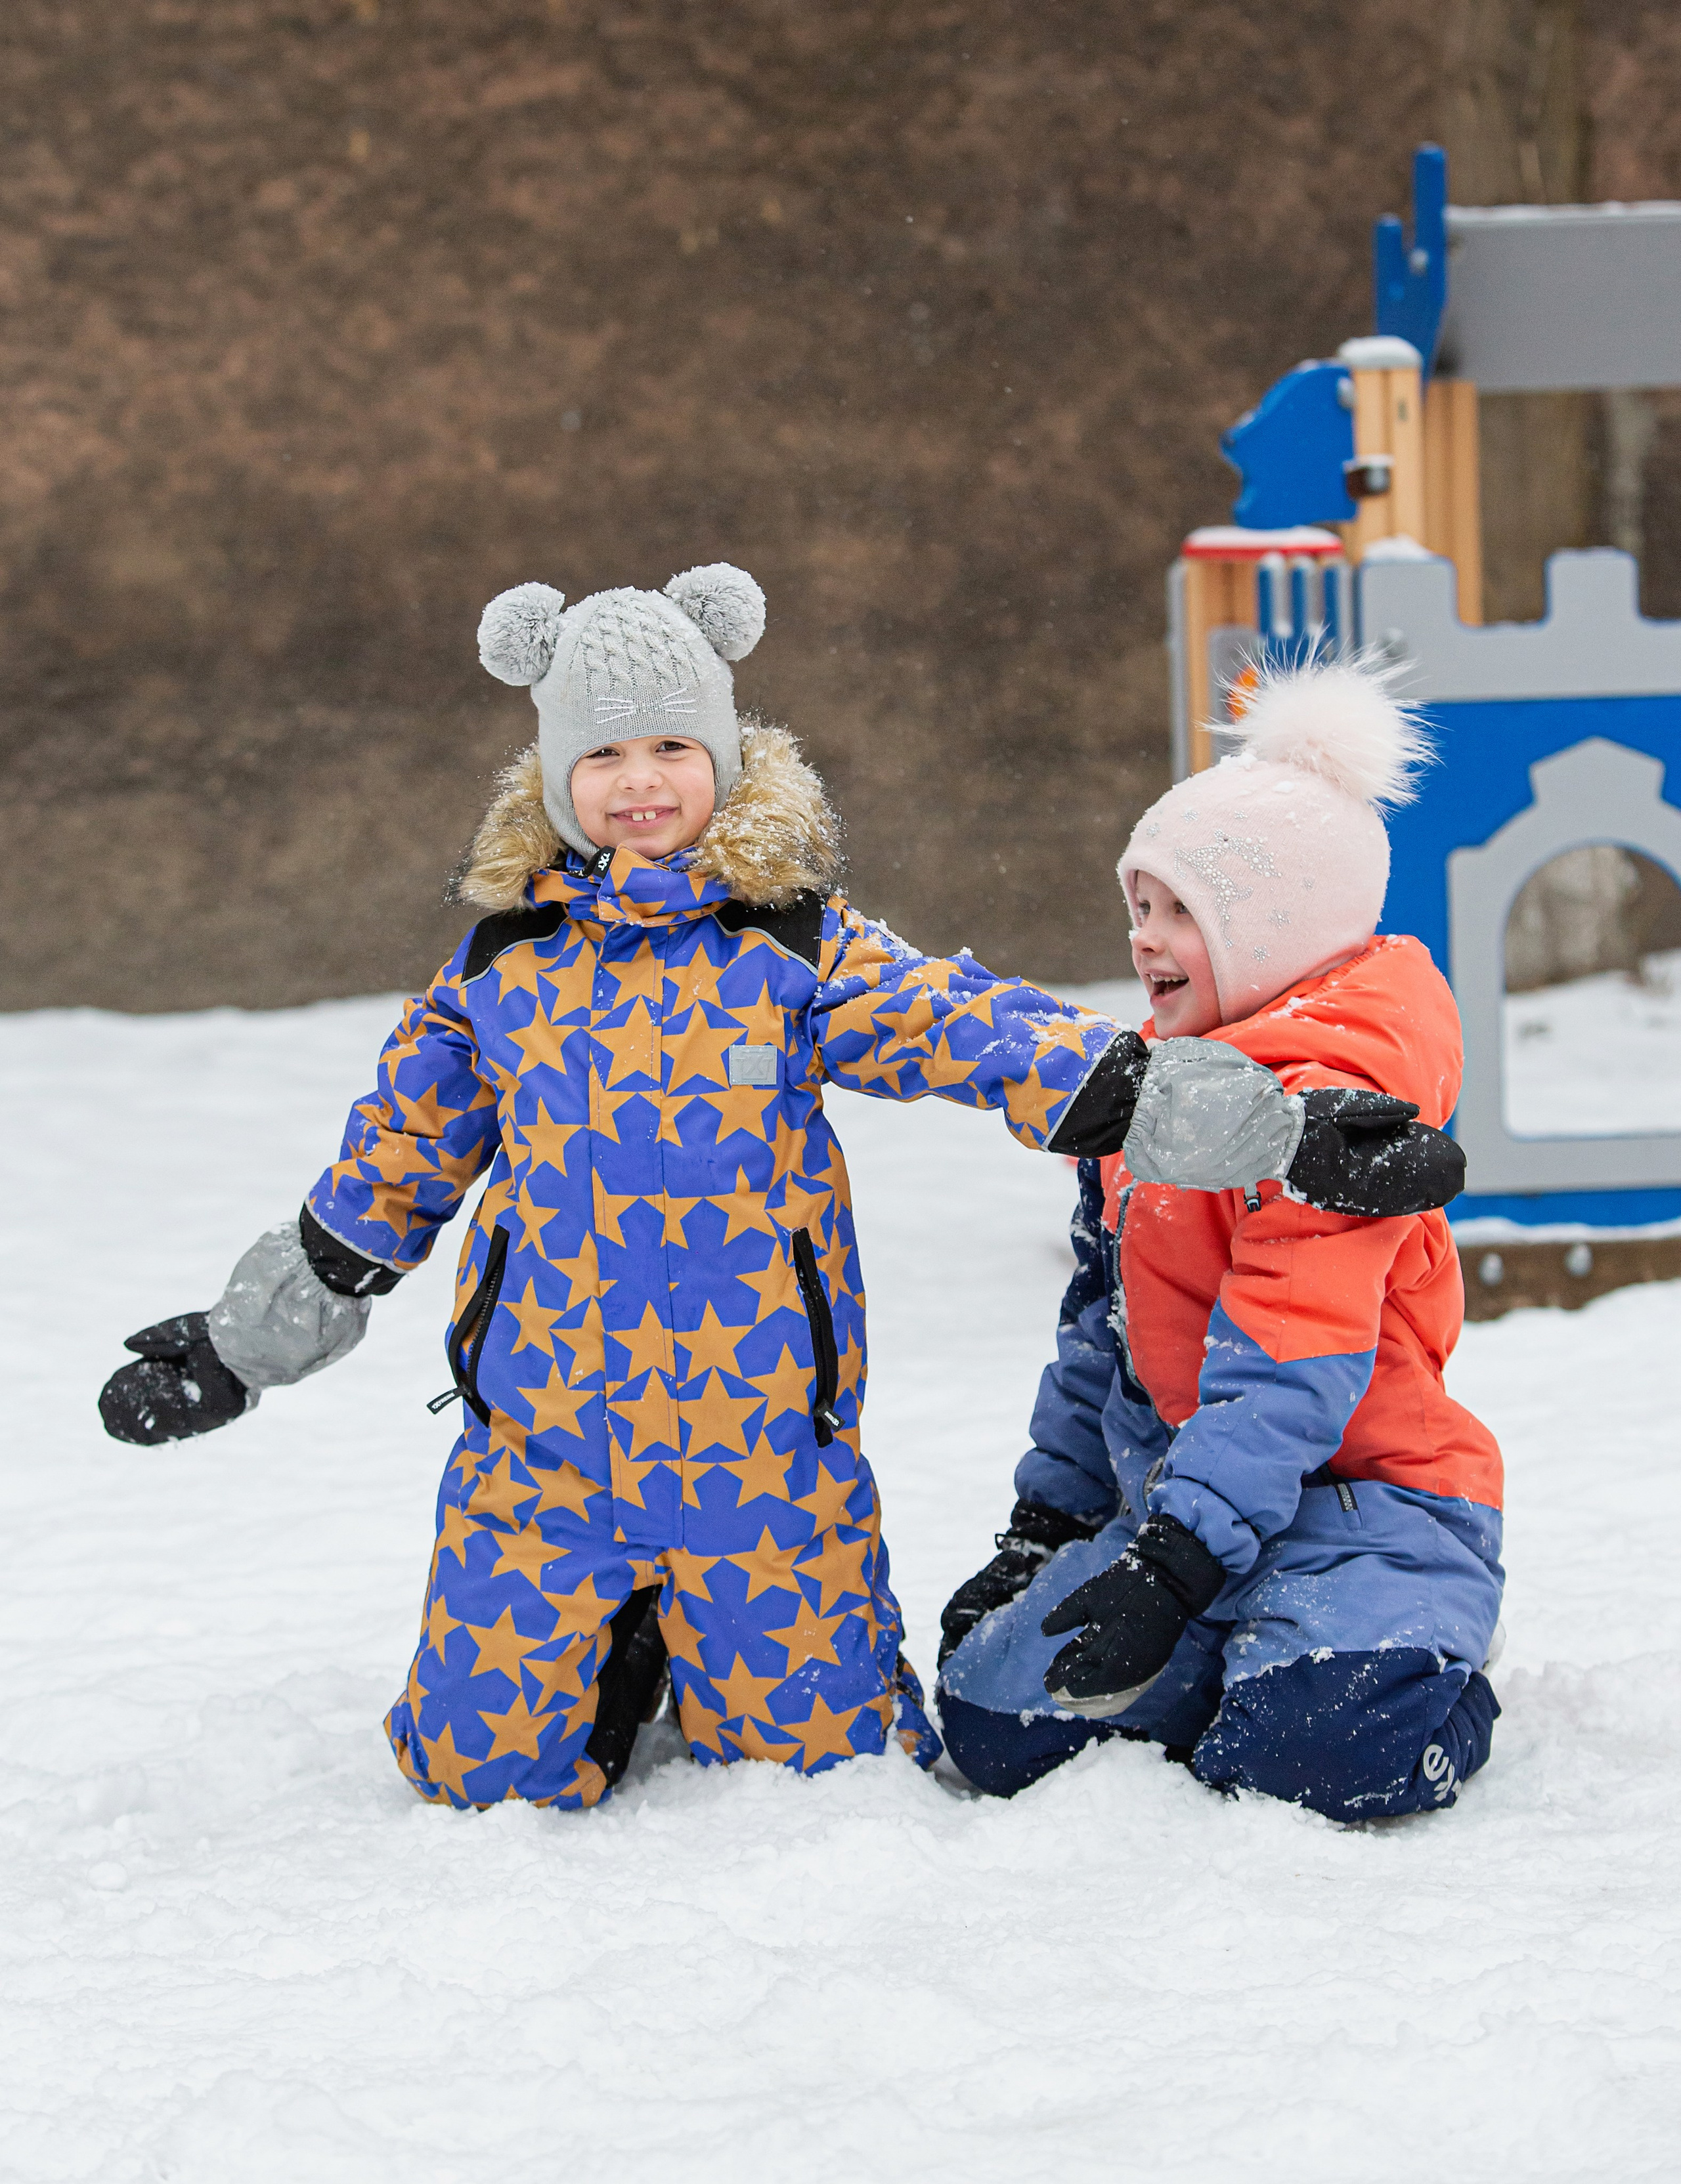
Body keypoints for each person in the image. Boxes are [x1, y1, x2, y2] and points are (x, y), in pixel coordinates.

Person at [98, 571, 1464, 1811]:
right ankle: (620, 1641)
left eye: (673, 746)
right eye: (607, 753)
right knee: (471, 1778)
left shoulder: (795, 947)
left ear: (725, 755)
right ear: (557, 772)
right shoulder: (498, 971)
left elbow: (1000, 1042)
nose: (642, 782)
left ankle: (701, 1633)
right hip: (541, 1454)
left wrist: (1273, 1131)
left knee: (823, 1772)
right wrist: (240, 1345)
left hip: (762, 1455)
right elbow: (384, 1172)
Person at [936, 657, 1503, 1821]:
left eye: (1184, 911)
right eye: (1139, 905)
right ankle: (1239, 1660)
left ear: (1279, 924)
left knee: (1317, 1757)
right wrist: (1050, 1526)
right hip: (1182, 1515)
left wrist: (1170, 1567)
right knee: (996, 1728)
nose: (1146, 939)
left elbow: (1287, 1366)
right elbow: (1106, 1337)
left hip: (1368, 1510)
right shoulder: (1157, 1100)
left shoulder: (1331, 1121)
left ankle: (1422, 1681)